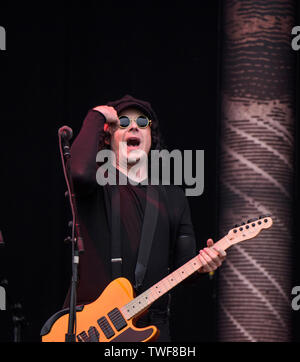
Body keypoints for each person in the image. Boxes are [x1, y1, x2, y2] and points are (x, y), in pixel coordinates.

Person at [66, 94, 226, 342]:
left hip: (152, 331)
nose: (133, 126)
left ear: (152, 137)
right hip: (91, 328)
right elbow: (77, 171)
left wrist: (206, 266)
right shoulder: (96, 185)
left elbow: (187, 270)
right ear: (107, 138)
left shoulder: (173, 197)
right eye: (123, 122)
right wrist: (97, 115)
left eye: (142, 122)